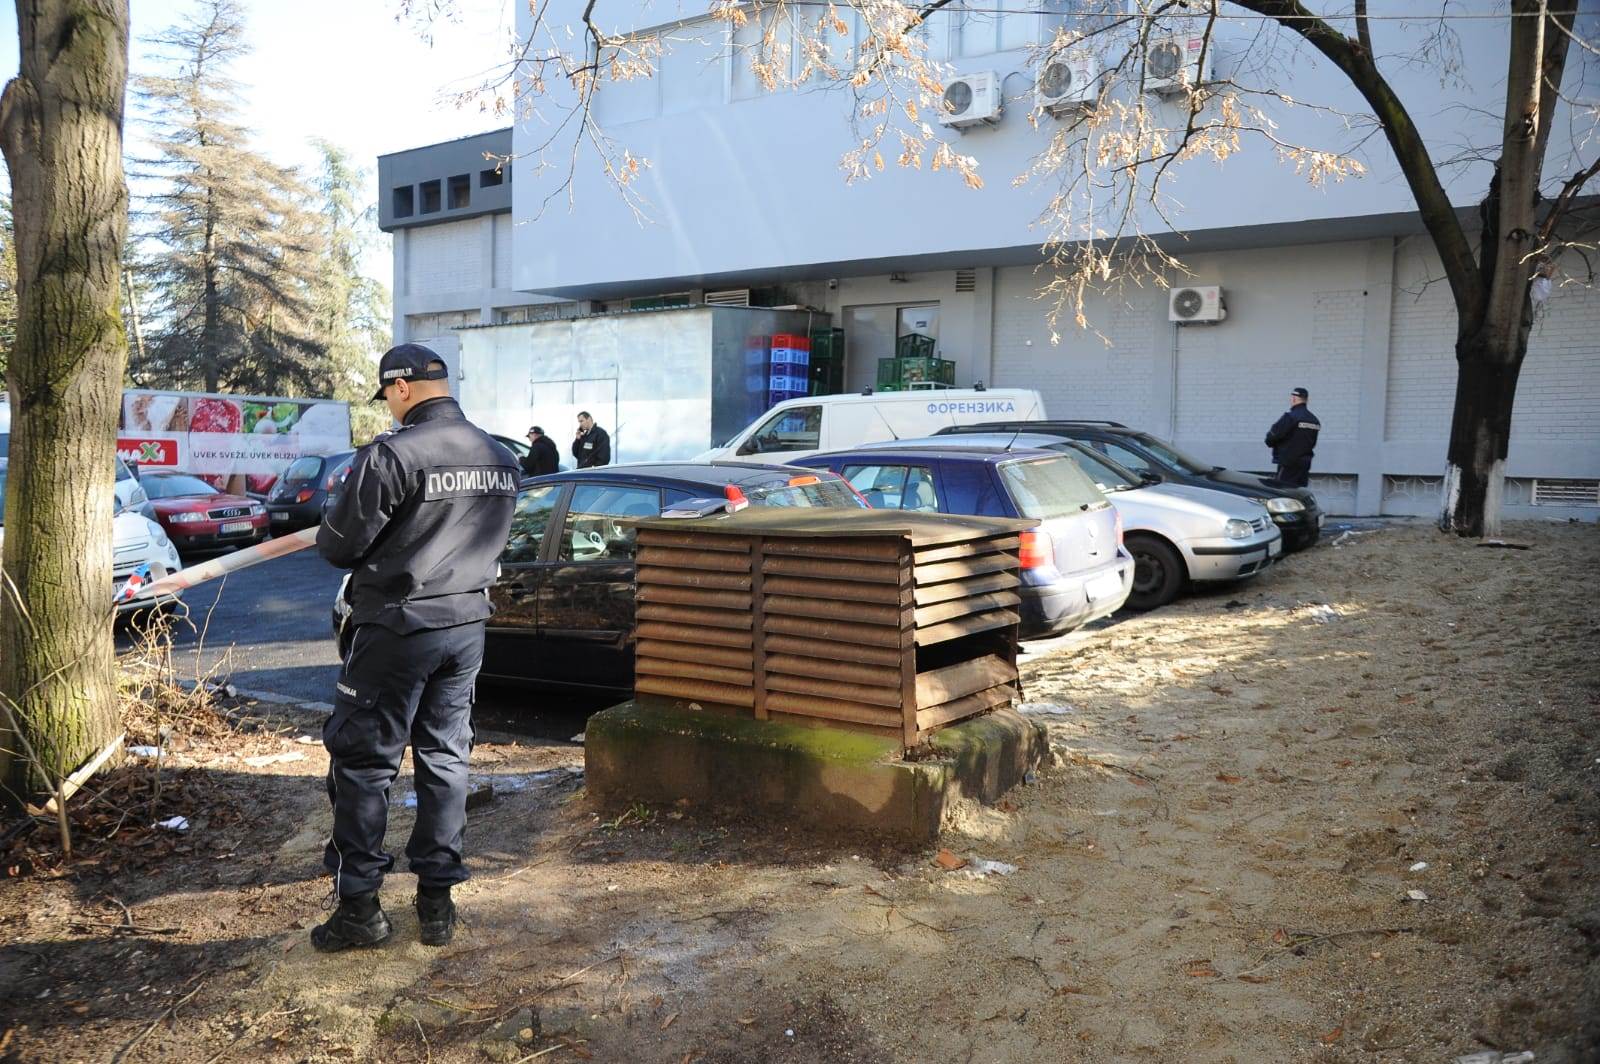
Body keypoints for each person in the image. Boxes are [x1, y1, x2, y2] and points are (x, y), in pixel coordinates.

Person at [310, 342, 518, 953]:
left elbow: (339, 547)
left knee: (363, 763)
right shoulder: (500, 457)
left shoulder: (392, 455)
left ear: (400, 388)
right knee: (447, 757)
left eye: (388, 395)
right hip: (466, 627)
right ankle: (436, 904)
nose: (390, 406)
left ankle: (360, 908)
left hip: (397, 627)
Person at [1264, 387, 1321, 488]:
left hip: (1288, 465)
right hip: (1304, 465)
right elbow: (1312, 443)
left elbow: (1271, 438)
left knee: (1283, 492)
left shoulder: (1290, 417)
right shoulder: (1314, 420)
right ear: (1306, 400)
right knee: (1298, 492)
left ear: (1294, 398)